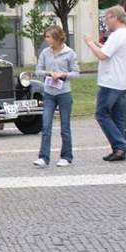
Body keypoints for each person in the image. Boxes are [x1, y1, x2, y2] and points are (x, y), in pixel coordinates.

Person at [84, 5, 126, 161]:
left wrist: (90, 43)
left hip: (110, 81)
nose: (106, 22)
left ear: (114, 17)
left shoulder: (117, 35)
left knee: (102, 114)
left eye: (107, 18)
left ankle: (121, 144)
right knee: (117, 116)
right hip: (121, 81)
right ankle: (119, 151)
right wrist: (100, 45)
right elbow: (112, 52)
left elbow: (103, 55)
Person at [33, 25, 79, 168]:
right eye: (46, 37)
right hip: (49, 93)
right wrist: (49, 73)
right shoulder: (45, 52)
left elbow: (76, 73)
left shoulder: (69, 53)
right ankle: (43, 157)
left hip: (64, 93)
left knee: (65, 126)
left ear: (57, 37)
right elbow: (38, 71)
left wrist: (62, 74)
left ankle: (66, 156)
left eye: (49, 37)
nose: (47, 40)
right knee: (46, 125)